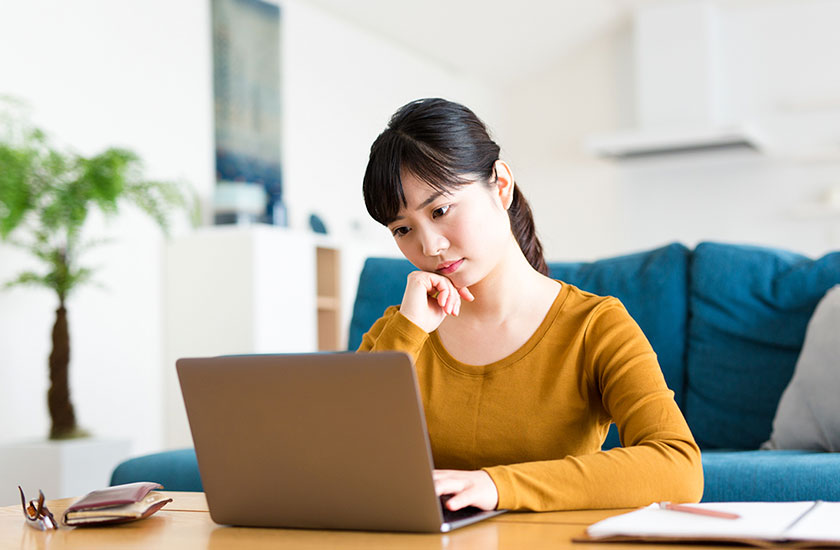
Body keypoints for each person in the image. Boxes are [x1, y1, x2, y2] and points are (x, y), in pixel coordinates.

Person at [358, 98, 703, 513]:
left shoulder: (594, 325)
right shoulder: (399, 331)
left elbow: (679, 467)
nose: (429, 245)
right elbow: (338, 462)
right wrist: (407, 333)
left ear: (500, 185)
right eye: (402, 228)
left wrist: (497, 485)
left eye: (441, 209)